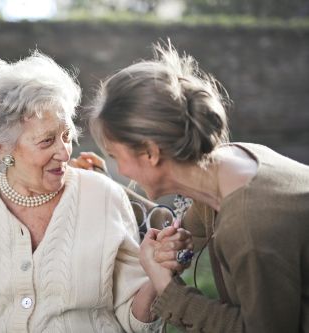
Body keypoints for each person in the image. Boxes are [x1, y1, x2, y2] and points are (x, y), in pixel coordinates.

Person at [0, 51, 192, 333]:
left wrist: (157, 276)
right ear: (4, 148)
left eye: (67, 136)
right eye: (47, 141)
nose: (64, 152)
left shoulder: (104, 196)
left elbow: (133, 319)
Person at [88, 41, 309, 332]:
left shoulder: (248, 226)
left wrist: (168, 288)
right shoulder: (231, 162)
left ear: (151, 153)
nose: (121, 170)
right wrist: (100, 185)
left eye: (116, 156)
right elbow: (182, 229)